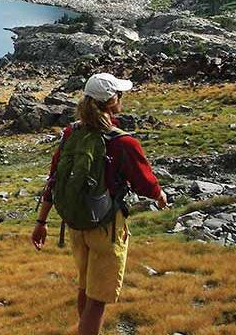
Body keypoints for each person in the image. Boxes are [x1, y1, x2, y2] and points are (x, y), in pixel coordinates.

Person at [31, 73, 168, 335]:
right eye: (120, 95)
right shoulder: (122, 141)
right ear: (112, 101)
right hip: (106, 226)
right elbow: (144, 182)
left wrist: (41, 222)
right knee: (98, 299)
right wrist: (159, 196)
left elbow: (54, 177)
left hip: (76, 223)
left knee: (85, 288)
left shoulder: (72, 133)